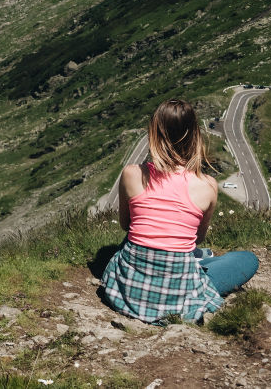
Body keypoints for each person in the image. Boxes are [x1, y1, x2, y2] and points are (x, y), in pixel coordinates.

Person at [101, 99, 259, 323]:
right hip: (178, 296)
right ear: (195, 135)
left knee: (133, 236)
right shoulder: (207, 185)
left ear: (154, 133)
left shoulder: (131, 173)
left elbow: (127, 225)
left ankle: (194, 262)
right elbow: (196, 238)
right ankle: (199, 264)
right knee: (246, 259)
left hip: (128, 292)